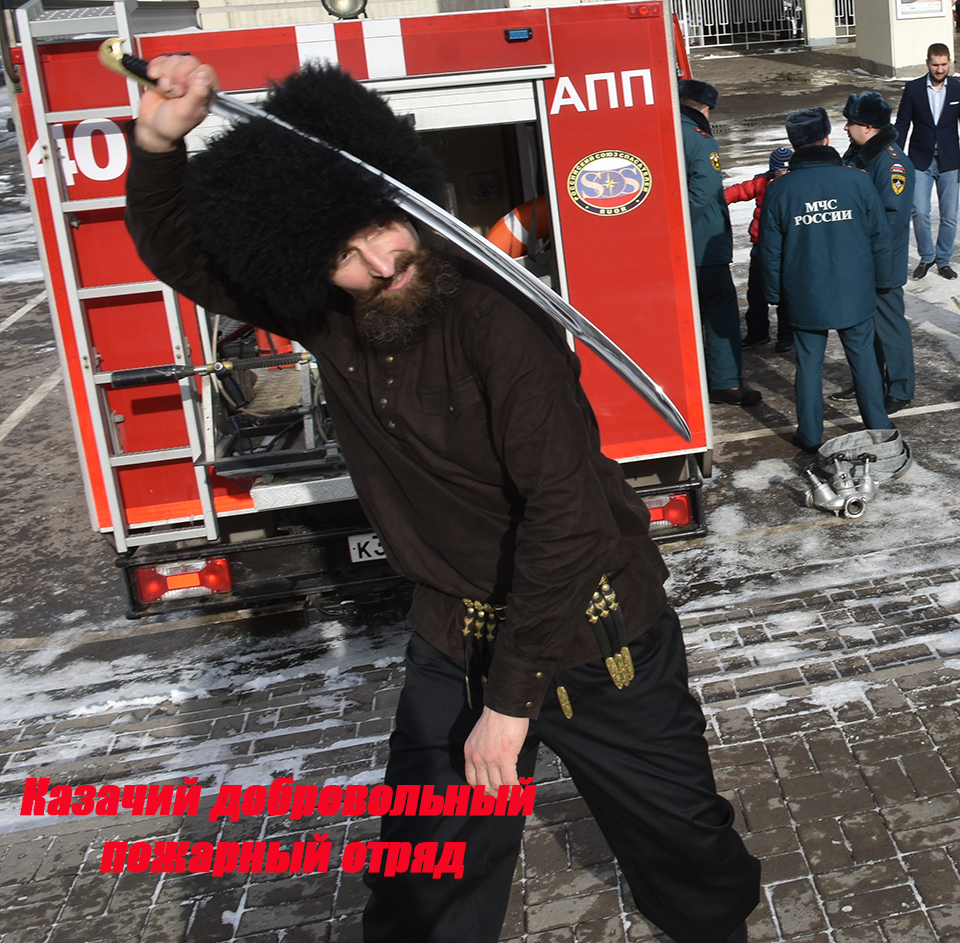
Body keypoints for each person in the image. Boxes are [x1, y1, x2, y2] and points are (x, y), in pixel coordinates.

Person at [125, 56, 761, 943]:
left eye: (379, 227)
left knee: (689, 859)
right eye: (342, 255)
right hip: (452, 637)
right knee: (424, 883)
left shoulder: (498, 322)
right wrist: (158, 139)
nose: (381, 261)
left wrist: (507, 708)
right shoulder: (328, 314)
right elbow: (178, 250)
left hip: (594, 636)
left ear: (401, 191)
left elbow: (568, 518)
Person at [760, 107, 895, 453]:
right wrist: (883, 281)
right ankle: (879, 426)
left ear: (794, 144)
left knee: (808, 364)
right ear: (826, 138)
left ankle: (810, 434)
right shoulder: (858, 180)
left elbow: (770, 249)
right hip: (854, 288)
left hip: (805, 291)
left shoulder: (780, 189)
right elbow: (880, 236)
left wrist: (773, 293)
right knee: (864, 360)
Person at [678, 79, 762, 407]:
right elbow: (704, 191)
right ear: (705, 107)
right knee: (721, 311)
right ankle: (727, 382)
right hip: (703, 244)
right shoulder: (699, 139)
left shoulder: (667, 130)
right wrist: (678, 226)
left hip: (683, 246)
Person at [833, 91, 916, 414]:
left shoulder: (892, 162)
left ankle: (900, 387)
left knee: (890, 325)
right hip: (858, 258)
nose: (845, 128)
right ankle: (869, 379)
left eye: (850, 122)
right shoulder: (860, 153)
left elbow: (892, 218)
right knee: (864, 325)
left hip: (881, 260)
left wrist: (859, 246)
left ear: (868, 127)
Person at [893, 42, 960, 279]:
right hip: (920, 160)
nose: (939, 69)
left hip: (950, 161)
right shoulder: (913, 88)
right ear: (927, 63)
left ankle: (943, 260)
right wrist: (895, 157)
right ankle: (926, 257)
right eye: (935, 65)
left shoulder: (957, 88)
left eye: (943, 64)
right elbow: (902, 124)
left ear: (949, 62)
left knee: (949, 215)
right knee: (920, 211)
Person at [724, 146, 794, 352]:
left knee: (786, 295)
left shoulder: (795, 187)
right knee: (756, 293)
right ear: (773, 171)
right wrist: (720, 199)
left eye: (789, 170)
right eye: (780, 170)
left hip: (786, 249)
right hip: (761, 248)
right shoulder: (762, 183)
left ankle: (786, 336)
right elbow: (739, 190)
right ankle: (757, 333)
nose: (784, 174)